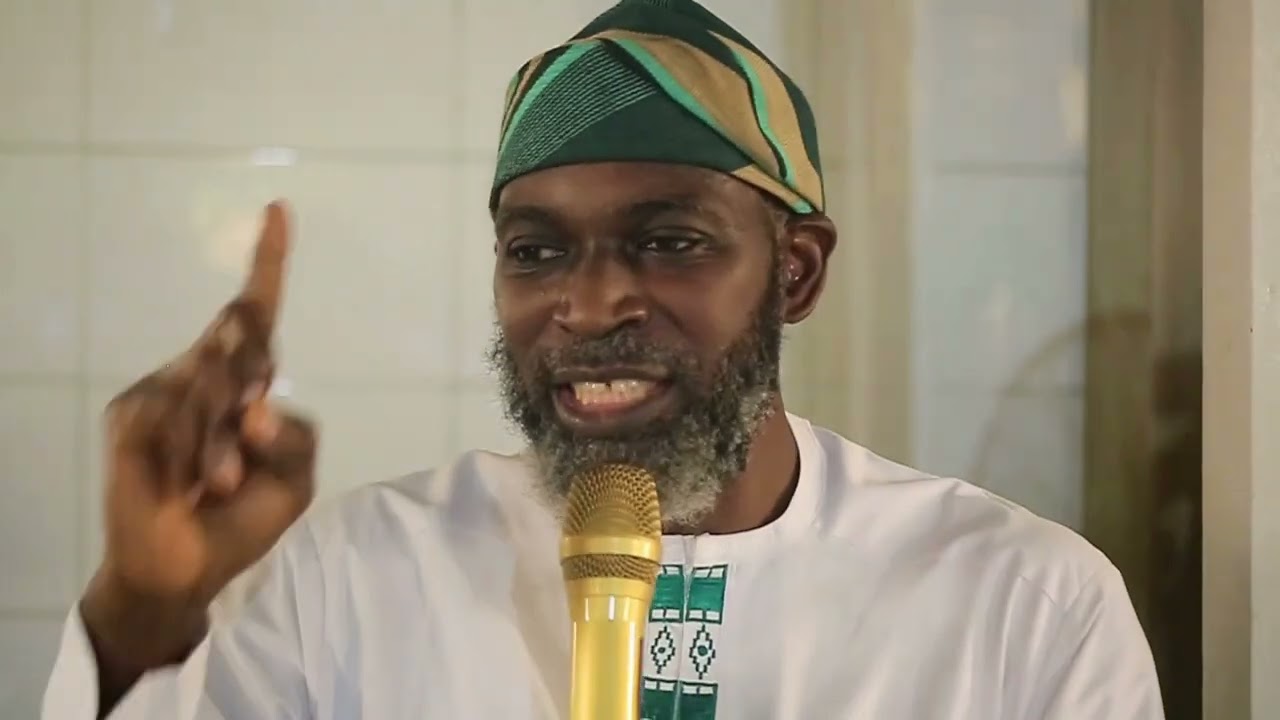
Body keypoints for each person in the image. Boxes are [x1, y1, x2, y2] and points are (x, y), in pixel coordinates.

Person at [42, 1, 1165, 718]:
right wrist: (144, 604)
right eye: (536, 251)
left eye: (667, 241)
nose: (585, 305)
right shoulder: (357, 581)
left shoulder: (1023, 604)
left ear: (795, 273)